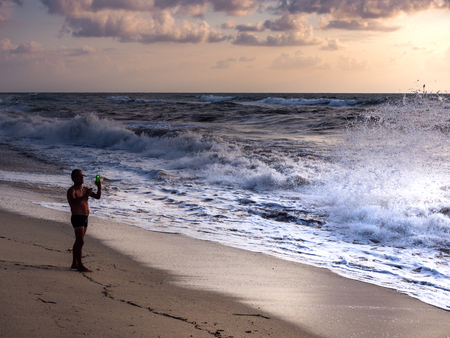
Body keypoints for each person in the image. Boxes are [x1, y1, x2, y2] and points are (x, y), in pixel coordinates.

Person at [67, 169, 101, 272]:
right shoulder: (72, 190)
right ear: (73, 178)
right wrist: (85, 196)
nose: (82, 177)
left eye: (82, 175)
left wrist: (99, 187)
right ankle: (80, 265)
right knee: (80, 241)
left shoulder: (85, 189)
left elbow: (98, 197)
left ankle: (74, 263)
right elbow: (73, 202)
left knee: (78, 241)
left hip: (85, 217)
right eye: (79, 176)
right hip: (77, 217)